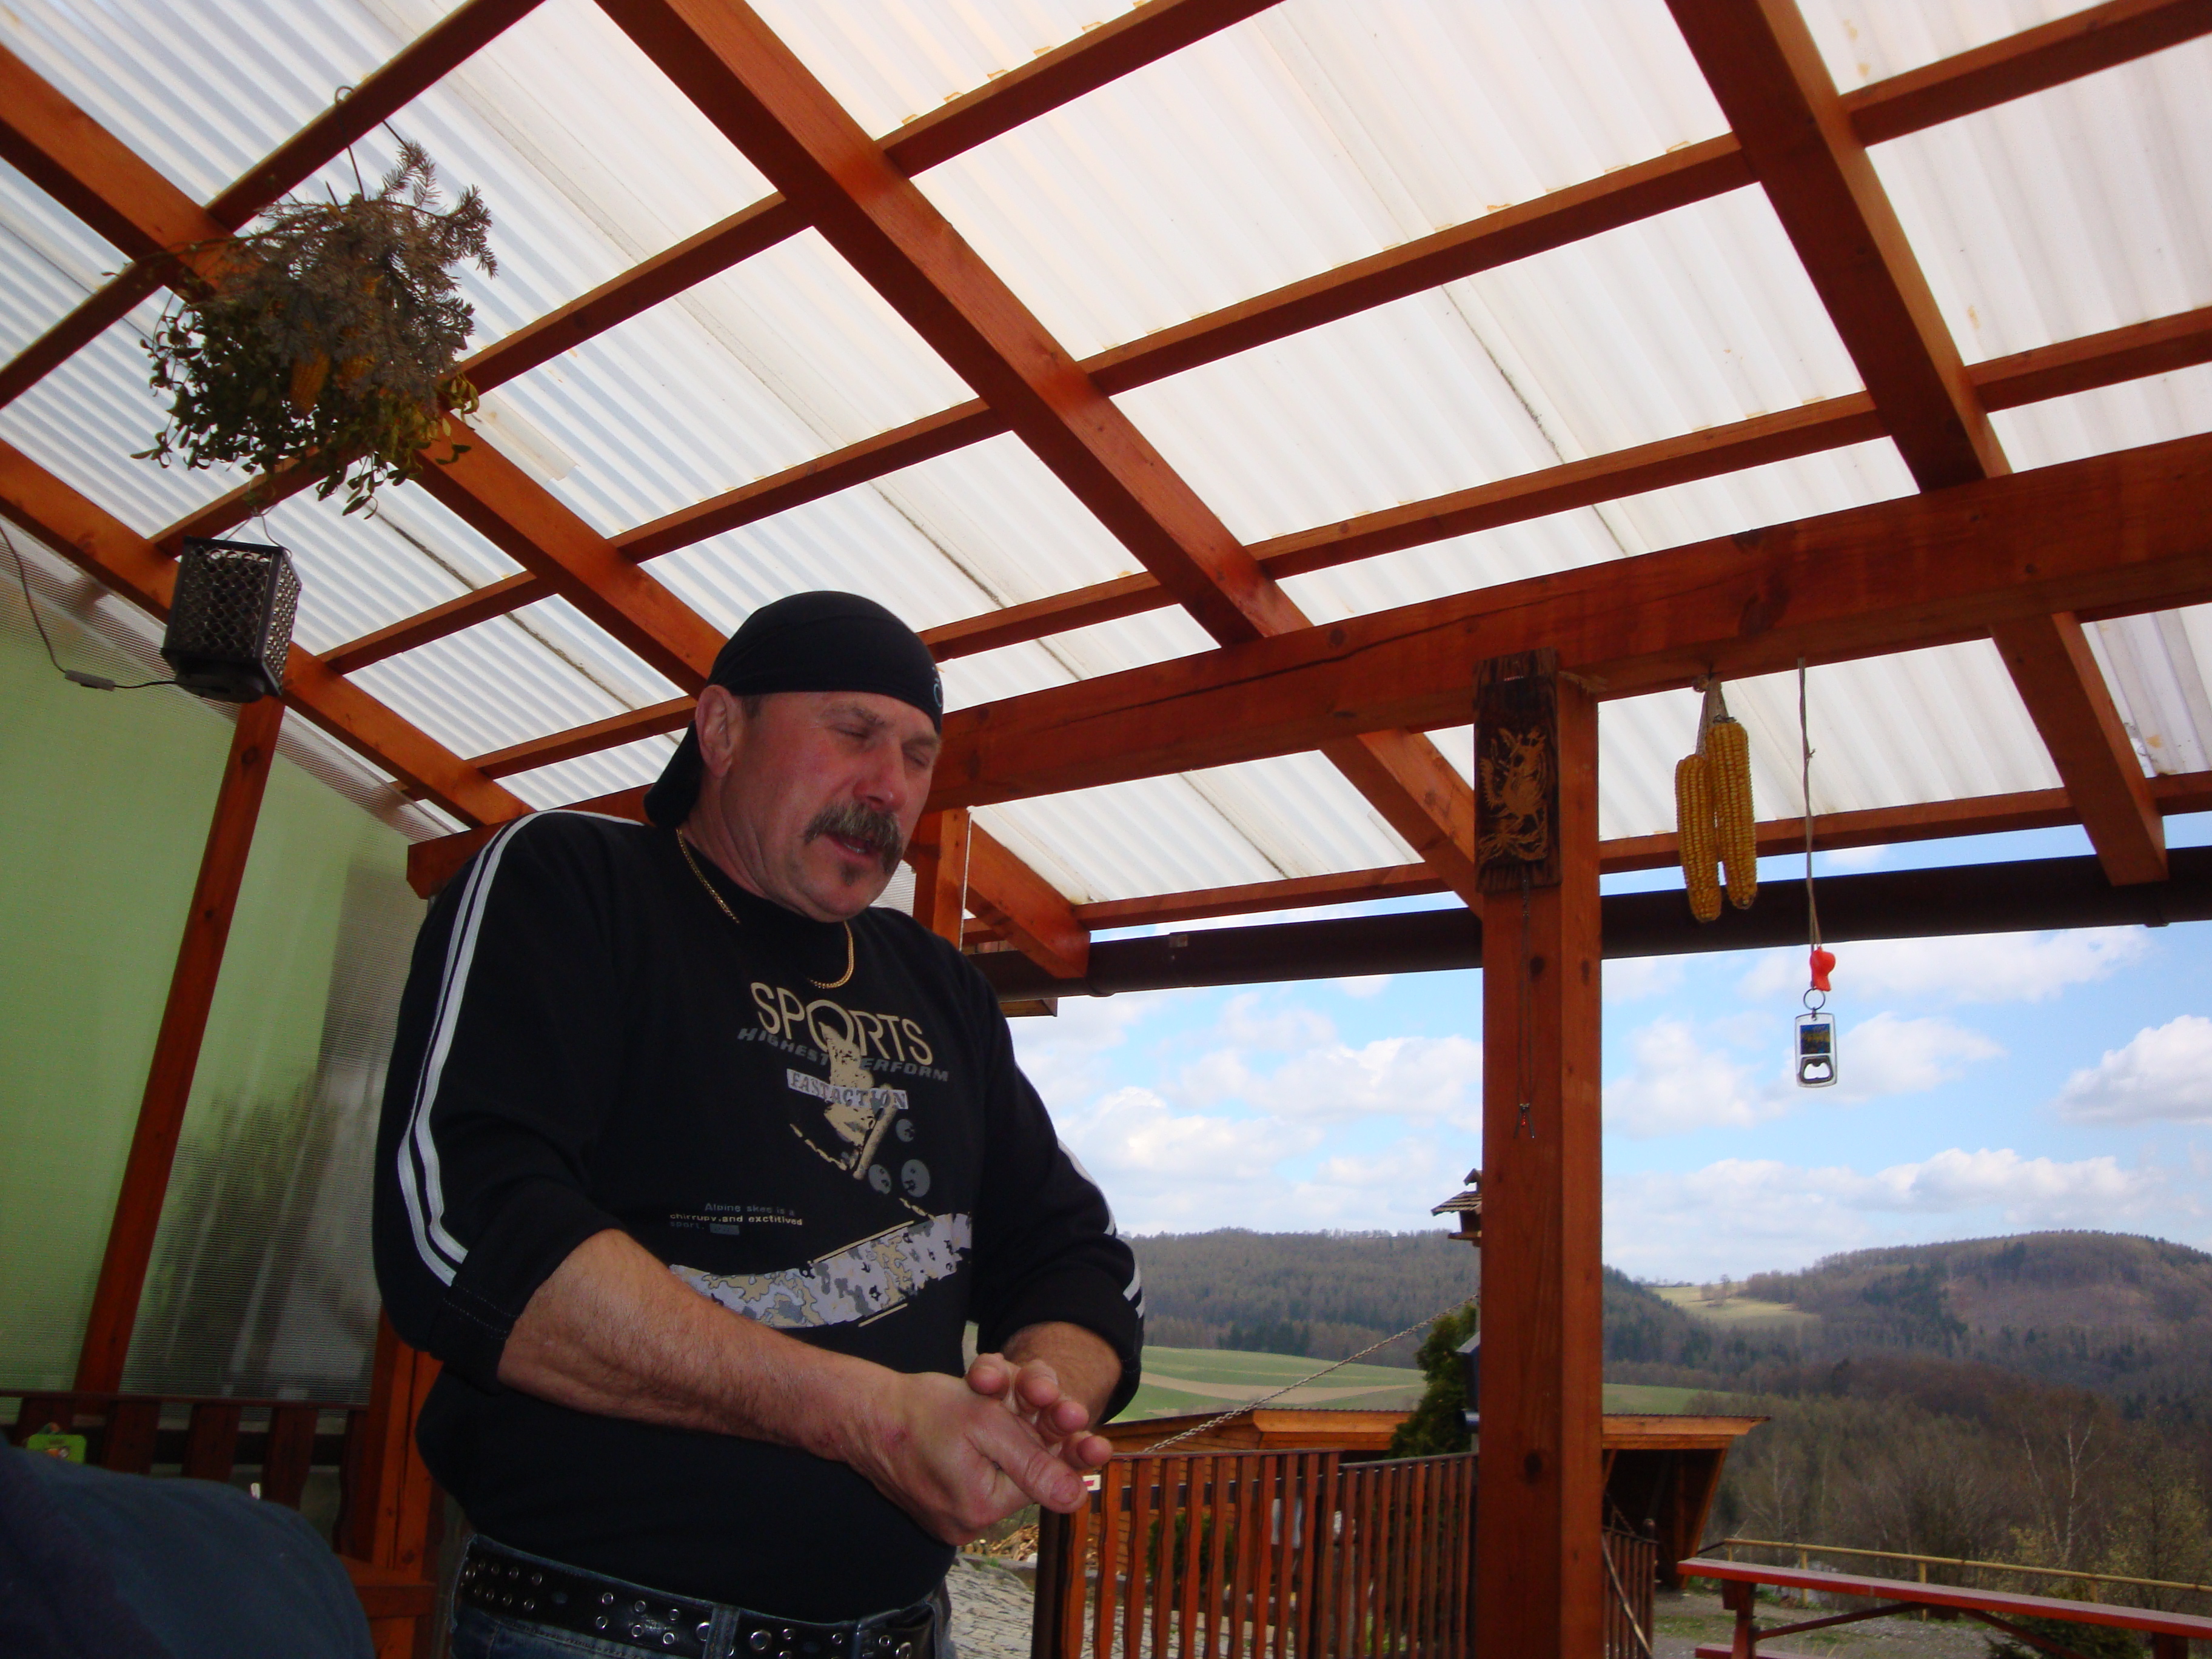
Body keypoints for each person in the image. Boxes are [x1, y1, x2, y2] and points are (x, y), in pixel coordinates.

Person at [372, 592, 1143, 1659]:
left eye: (918, 755)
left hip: (905, 1635)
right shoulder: (572, 880)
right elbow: (469, 1228)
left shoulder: (939, 987)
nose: (889, 785)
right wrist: (865, 1416)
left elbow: (1074, 1254)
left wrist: (1036, 1405)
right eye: (853, 732)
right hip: (602, 1629)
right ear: (722, 729)